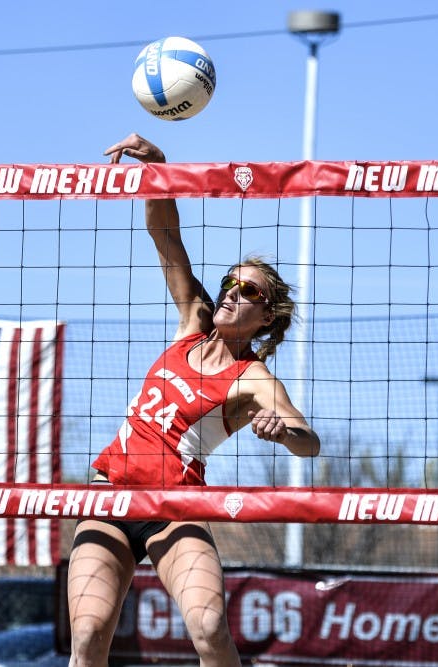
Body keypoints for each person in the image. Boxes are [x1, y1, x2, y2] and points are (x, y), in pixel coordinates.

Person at [67, 134, 321, 667]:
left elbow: (309, 444)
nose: (232, 291)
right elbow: (165, 234)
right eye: (232, 281)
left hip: (174, 507)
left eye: (249, 291)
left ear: (267, 316)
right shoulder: (193, 322)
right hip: (110, 493)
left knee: (208, 628)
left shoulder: (252, 377)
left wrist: (284, 429)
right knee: (89, 634)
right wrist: (159, 171)